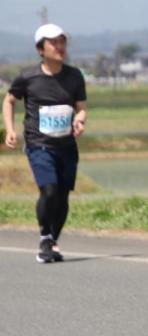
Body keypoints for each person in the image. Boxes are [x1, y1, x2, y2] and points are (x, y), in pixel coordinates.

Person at [3, 23, 88, 263]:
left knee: (62, 196)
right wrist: (10, 130)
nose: (60, 47)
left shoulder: (74, 76)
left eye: (62, 42)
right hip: (38, 144)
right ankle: (45, 236)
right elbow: (9, 101)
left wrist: (80, 121)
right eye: (54, 42)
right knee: (49, 189)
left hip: (66, 146)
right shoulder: (28, 77)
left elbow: (81, 108)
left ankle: (52, 241)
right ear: (41, 49)